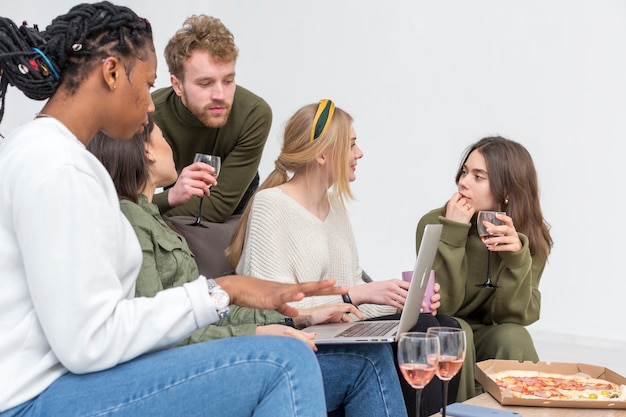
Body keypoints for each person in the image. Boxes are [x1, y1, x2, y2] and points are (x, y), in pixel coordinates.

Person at [0, 4, 347, 416]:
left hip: (67, 385)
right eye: (147, 86)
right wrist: (222, 291)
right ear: (111, 73)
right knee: (283, 363)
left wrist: (233, 300)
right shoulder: (56, 165)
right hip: (38, 399)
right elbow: (88, 343)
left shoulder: (52, 154)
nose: (151, 106)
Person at [87, 115, 408, 417]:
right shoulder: (130, 221)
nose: (171, 146)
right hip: (191, 370)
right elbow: (156, 333)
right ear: (147, 151)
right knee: (367, 360)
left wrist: (299, 317)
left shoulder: (152, 219)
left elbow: (214, 311)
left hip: (209, 354)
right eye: (162, 137)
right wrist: (255, 333)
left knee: (381, 347)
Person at [225, 99, 461, 417]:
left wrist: (401, 300)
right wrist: (356, 293)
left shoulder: (334, 206)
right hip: (298, 341)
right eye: (351, 145)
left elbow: (351, 306)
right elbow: (272, 311)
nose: (359, 154)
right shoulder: (271, 205)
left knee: (442, 326)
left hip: (335, 333)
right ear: (322, 155)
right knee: (422, 330)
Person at [415, 136, 553, 402]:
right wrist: (453, 234)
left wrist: (517, 259)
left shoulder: (531, 236)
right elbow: (443, 309)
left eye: (478, 177)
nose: (463, 182)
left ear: (507, 191)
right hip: (446, 328)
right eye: (465, 172)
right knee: (458, 331)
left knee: (513, 336)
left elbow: (514, 316)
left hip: (490, 334)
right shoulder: (433, 225)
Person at [150, 14, 272, 278]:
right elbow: (122, 199)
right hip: (173, 201)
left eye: (228, 81)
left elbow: (217, 206)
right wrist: (165, 199)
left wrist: (150, 207)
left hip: (237, 205)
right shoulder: (149, 116)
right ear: (177, 85)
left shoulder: (255, 113)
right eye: (205, 83)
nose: (220, 94)